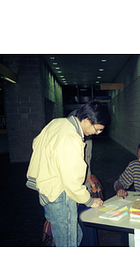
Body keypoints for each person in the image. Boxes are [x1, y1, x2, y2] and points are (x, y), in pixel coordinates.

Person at [26, 101, 111, 247]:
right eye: (97, 129)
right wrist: (90, 201)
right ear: (86, 121)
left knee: (73, 237)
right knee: (69, 243)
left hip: (47, 190)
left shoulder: (56, 123)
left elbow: (36, 143)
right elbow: (72, 181)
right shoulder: (72, 137)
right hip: (61, 195)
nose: (97, 133)